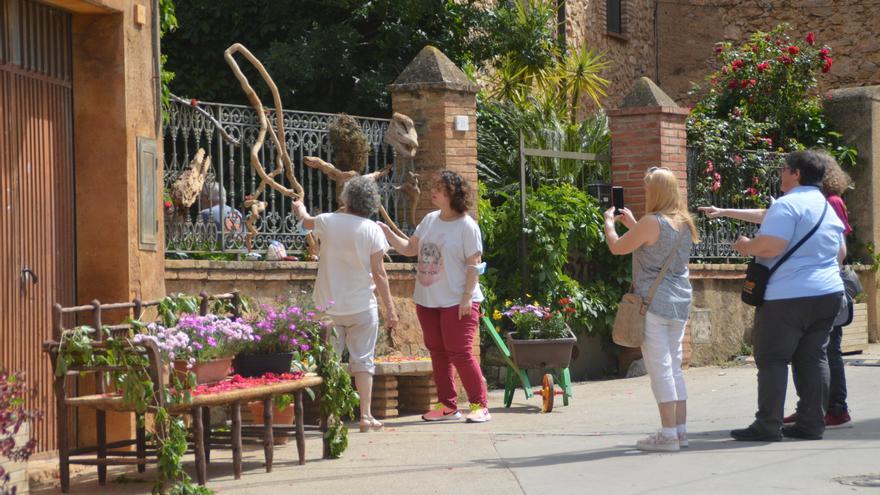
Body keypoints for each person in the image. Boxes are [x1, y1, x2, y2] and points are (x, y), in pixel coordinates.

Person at [698, 154, 854, 430]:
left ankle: (768, 424)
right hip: (828, 293)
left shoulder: (788, 204)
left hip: (788, 296)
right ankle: (811, 423)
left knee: (773, 358)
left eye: (784, 169)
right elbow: (840, 252)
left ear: (796, 173)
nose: (780, 174)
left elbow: (771, 246)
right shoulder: (827, 207)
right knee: (814, 358)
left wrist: (747, 245)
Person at [377, 170, 490, 423]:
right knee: (437, 352)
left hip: (459, 301)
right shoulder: (429, 220)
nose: (433, 191)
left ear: (453, 193)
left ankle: (479, 405)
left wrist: (466, 298)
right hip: (427, 300)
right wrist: (387, 232)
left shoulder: (467, 226)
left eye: (439, 188)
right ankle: (448, 407)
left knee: (460, 352)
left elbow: (474, 265)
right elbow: (409, 248)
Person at [293, 176, 399, 432]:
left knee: (329, 361)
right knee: (363, 361)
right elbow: (380, 273)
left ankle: (331, 415)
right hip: (362, 305)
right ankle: (365, 415)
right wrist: (391, 308)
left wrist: (300, 208)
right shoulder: (373, 229)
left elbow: (306, 223)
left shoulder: (328, 221)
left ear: (346, 198)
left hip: (328, 306)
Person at [604, 167, 698, 452]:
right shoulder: (685, 223)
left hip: (654, 304)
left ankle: (668, 435)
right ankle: (679, 430)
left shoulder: (652, 221)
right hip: (679, 302)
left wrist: (609, 223)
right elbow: (655, 248)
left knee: (660, 370)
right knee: (674, 367)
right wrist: (633, 223)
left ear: (655, 192)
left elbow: (618, 247)